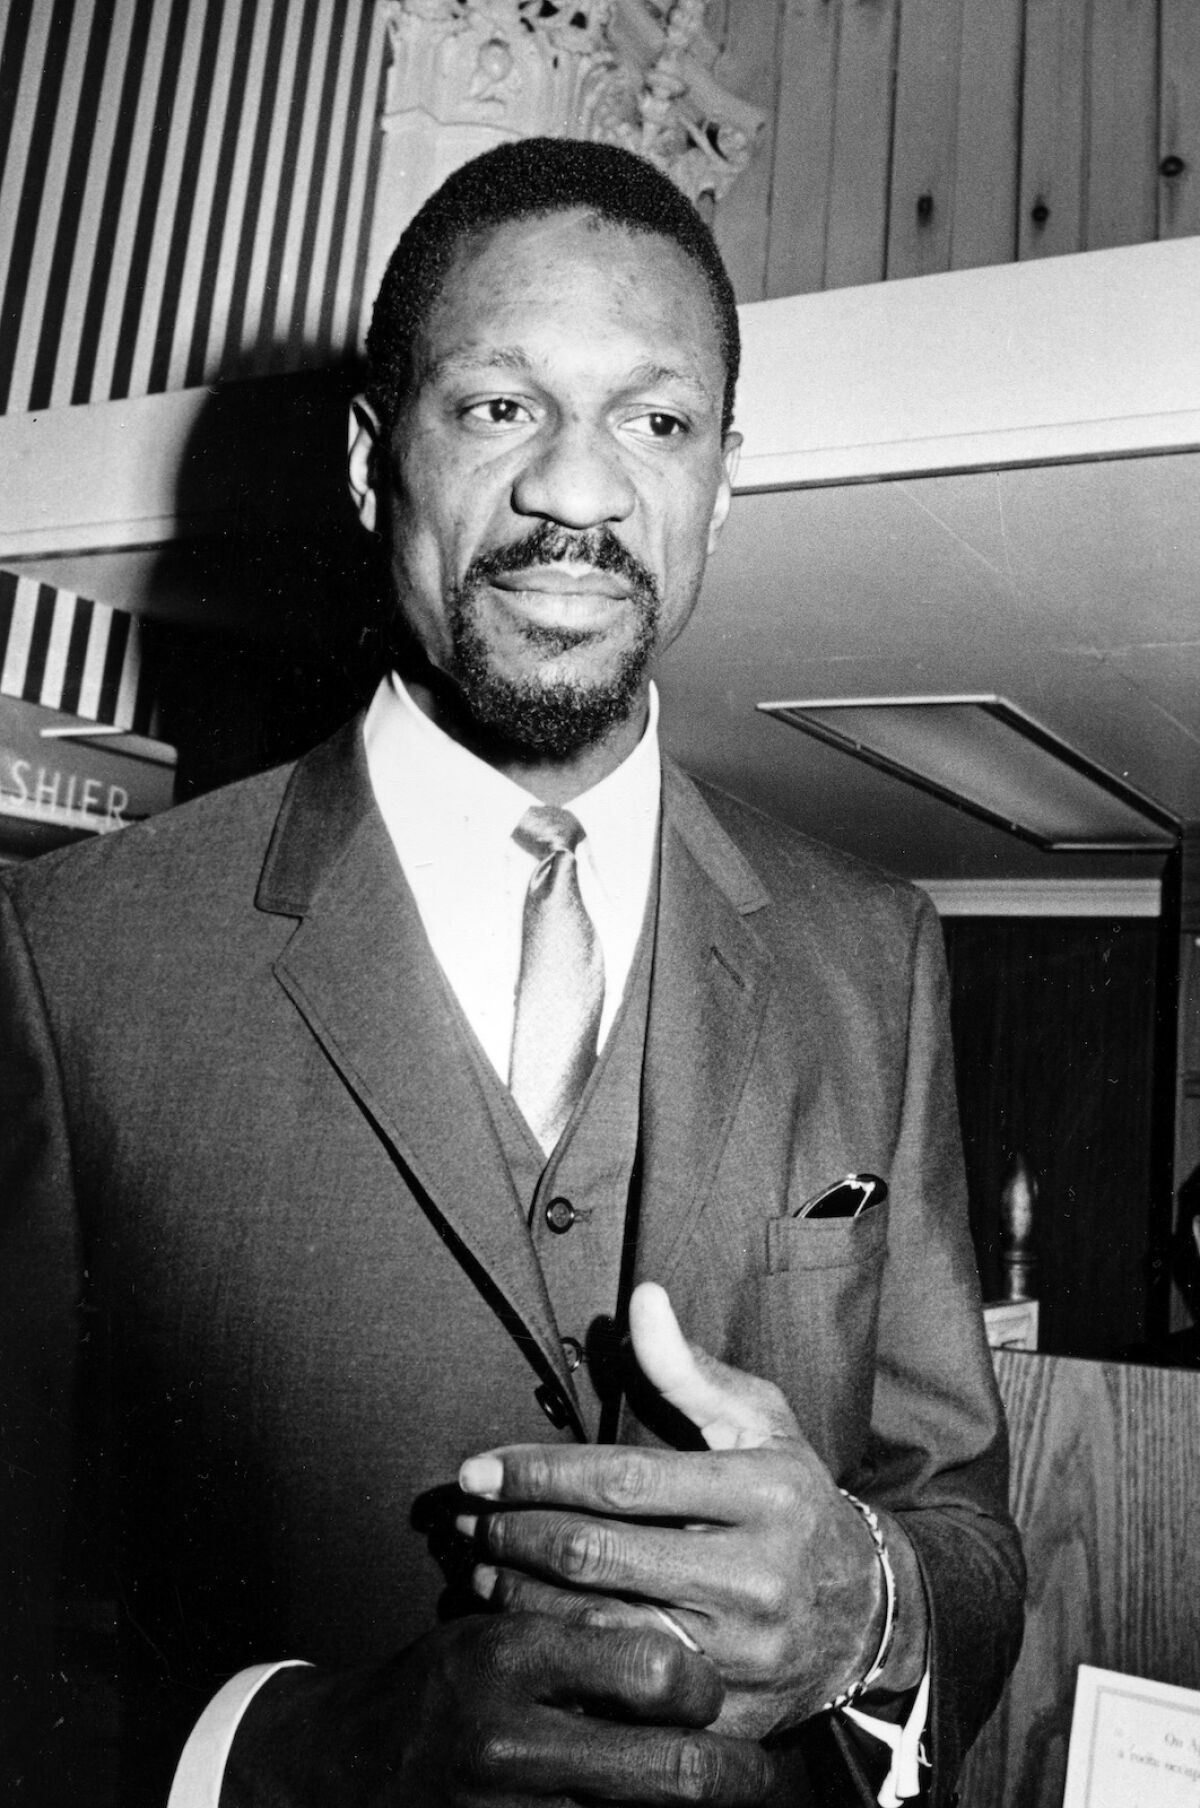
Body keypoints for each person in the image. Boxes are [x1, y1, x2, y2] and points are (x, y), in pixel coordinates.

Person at [0, 138, 1024, 1807]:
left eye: (657, 419)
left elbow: (962, 1521)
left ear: (722, 477)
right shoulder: (70, 961)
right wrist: (284, 1760)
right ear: (369, 461)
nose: (581, 490)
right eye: (498, 407)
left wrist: (870, 1602)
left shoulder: (874, 951)